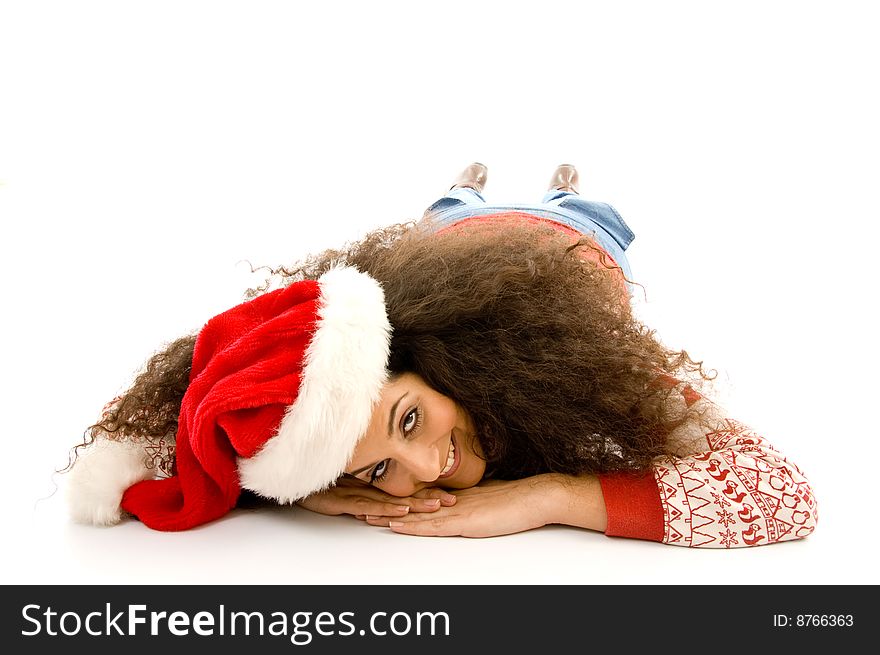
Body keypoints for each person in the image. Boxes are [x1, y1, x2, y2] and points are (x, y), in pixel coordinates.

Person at [64, 163, 818, 548]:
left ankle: (560, 186)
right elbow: (170, 420)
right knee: (445, 213)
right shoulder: (309, 354)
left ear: (428, 356)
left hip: (567, 242)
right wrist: (307, 486)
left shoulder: (598, 363)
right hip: (443, 245)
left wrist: (553, 495)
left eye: (409, 416)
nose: (426, 469)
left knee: (579, 208)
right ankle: (463, 189)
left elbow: (782, 496)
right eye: (376, 468)